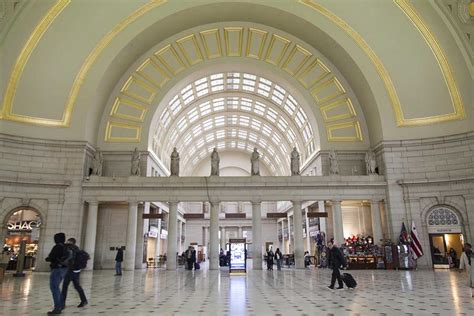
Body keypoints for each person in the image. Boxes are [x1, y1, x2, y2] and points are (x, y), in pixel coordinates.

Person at [45, 232, 69, 314]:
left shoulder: (57, 247)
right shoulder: (66, 247)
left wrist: (48, 258)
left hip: (57, 269)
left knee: (54, 287)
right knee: (57, 287)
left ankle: (57, 307)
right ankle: (61, 304)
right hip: (64, 269)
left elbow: (51, 257)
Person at [61, 238, 88, 308]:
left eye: (68, 241)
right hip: (77, 270)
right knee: (77, 286)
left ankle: (62, 303)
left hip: (71, 270)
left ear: (70, 242)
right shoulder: (77, 249)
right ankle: (84, 300)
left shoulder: (70, 249)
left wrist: (63, 263)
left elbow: (69, 259)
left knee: (65, 286)